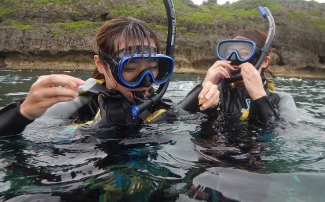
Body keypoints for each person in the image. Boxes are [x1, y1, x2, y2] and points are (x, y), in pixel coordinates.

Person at [0, 17, 220, 137]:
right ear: (101, 64)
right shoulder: (79, 102)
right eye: (130, 67)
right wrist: (23, 113)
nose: (146, 81)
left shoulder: (154, 102)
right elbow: (37, 136)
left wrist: (209, 102)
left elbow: (183, 116)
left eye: (153, 66)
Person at [181, 27, 297, 128]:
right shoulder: (216, 92)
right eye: (230, 52)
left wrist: (259, 96)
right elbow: (174, 117)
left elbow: (284, 134)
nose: (234, 58)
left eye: (244, 53)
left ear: (264, 62)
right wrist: (204, 87)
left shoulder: (280, 99)